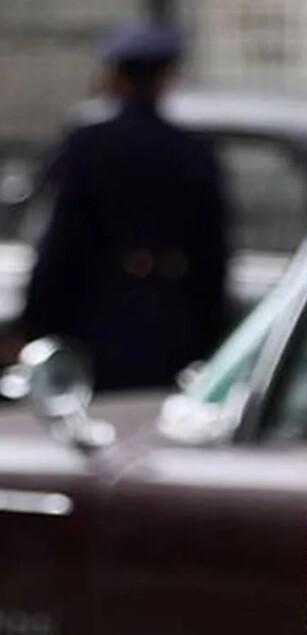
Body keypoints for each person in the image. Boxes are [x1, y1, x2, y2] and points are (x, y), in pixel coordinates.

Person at [15, 24, 227, 391]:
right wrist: (211, 331)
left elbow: (61, 243)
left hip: (98, 313)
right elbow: (213, 254)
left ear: (114, 79)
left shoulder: (87, 146)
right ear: (165, 81)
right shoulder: (191, 152)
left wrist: (36, 324)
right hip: (172, 316)